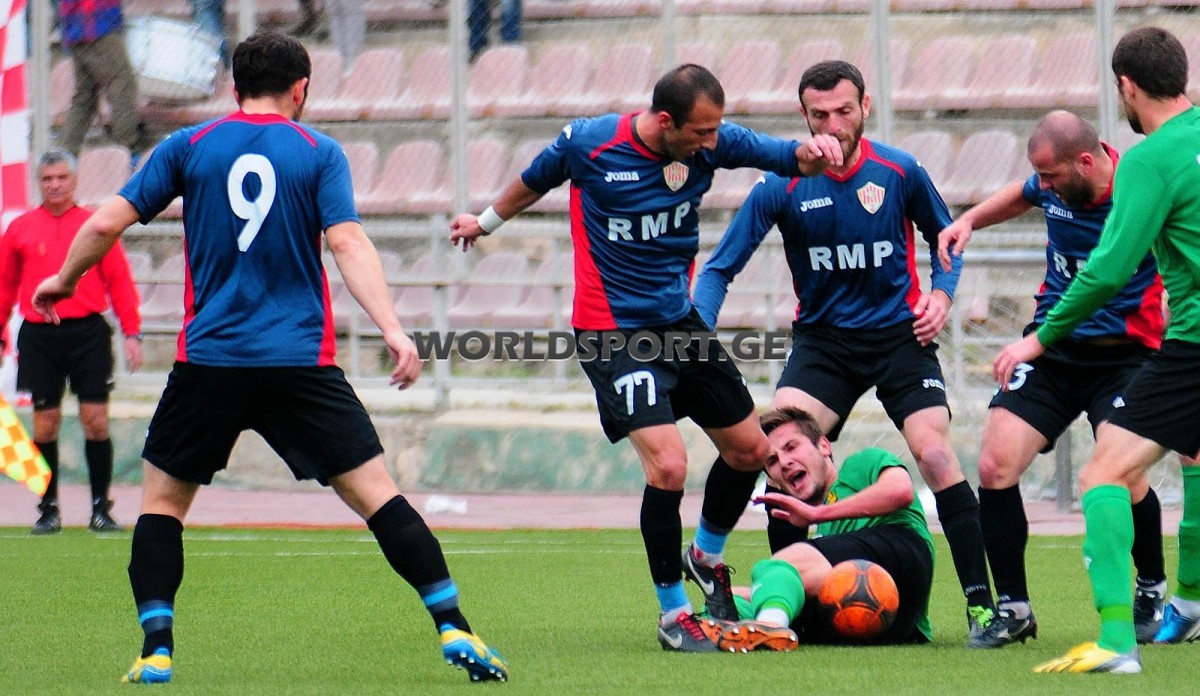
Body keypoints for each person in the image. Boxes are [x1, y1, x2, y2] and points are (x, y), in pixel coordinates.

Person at [31, 31, 506, 684]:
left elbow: (104, 223)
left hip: (211, 361)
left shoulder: (188, 146)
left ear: (235, 87)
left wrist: (64, 279)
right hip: (299, 362)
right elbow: (348, 243)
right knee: (379, 497)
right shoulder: (318, 152)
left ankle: (157, 647)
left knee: (162, 505)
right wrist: (394, 331)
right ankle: (454, 625)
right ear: (300, 89)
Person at [449, 63, 843, 651]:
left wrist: (814, 154)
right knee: (669, 466)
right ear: (665, 122)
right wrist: (482, 223)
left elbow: (787, 157)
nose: (711, 143)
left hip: (677, 322)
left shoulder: (712, 141)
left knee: (750, 450)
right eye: (701, 133)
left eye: (715, 131)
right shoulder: (590, 143)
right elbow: (534, 180)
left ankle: (705, 557)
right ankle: (673, 615)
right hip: (612, 331)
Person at [692, 59, 997, 644]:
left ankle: (984, 610)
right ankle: (782, 598)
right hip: (825, 344)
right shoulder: (779, 185)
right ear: (803, 116)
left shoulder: (899, 171)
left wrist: (941, 294)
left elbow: (947, 240)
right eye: (820, 114)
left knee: (936, 454)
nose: (833, 125)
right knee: (773, 449)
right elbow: (719, 268)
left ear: (865, 107)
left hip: (900, 338)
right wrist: (697, 333)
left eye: (844, 111)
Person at [991, 26, 1200, 674]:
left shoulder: (1148, 159)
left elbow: (1108, 270)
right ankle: (1189, 603)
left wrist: (1038, 337)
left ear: (1126, 87)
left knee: (1102, 475)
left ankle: (1116, 641)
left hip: (1190, 346)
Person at [938, 110, 1171, 648]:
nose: (1043, 187)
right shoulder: (1055, 187)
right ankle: (1014, 608)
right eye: (1039, 175)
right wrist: (969, 222)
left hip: (1126, 357)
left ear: (1086, 162)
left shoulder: (1139, 191)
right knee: (995, 464)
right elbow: (1022, 195)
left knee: (1123, 472)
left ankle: (1151, 588)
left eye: (1050, 176)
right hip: (1052, 353)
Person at [706, 406, 934, 652]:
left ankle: (770, 626)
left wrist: (817, 514)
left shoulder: (861, 464)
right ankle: (737, 627)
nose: (784, 462)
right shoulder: (825, 535)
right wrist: (729, 600)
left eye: (791, 447)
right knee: (727, 599)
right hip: (873, 620)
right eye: (772, 461)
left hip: (904, 559)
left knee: (782, 564)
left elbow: (901, 491)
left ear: (824, 446)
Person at [0, 149, 143, 535]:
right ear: (39, 183)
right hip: (40, 335)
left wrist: (132, 332)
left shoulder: (94, 225)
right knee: (45, 425)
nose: (55, 185)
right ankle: (47, 509)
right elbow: (5, 284)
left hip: (87, 333)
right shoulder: (21, 228)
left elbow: (119, 280)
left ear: (75, 180)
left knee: (95, 421)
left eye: (62, 177)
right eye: (47, 179)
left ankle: (100, 508)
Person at [57, 0, 149, 167]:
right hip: (96, 23)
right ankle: (126, 150)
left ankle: (65, 153)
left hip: (79, 24)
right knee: (122, 85)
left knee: (85, 96)